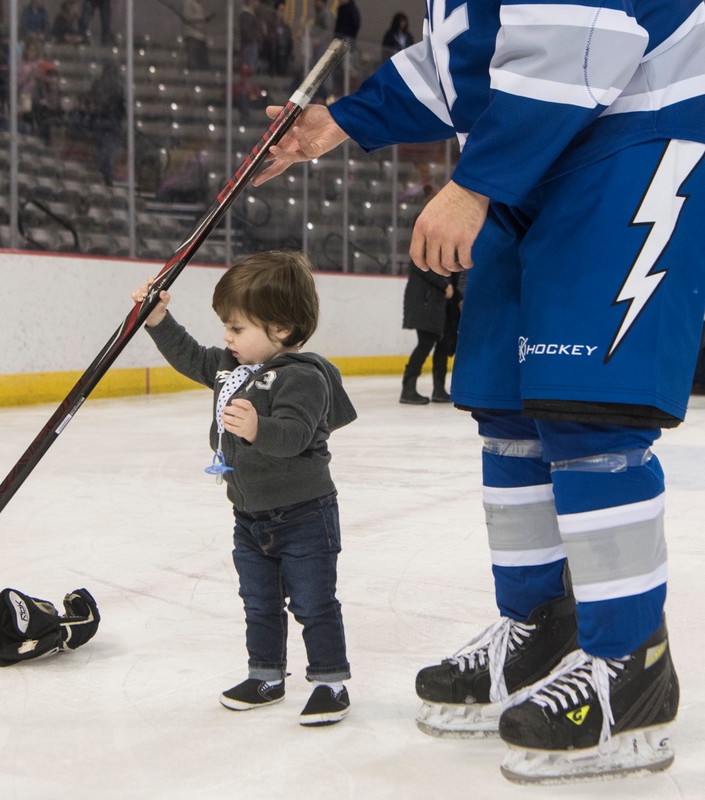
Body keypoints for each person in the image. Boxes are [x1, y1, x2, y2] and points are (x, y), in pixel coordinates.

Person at [255, 0, 704, 784]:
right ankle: (539, 627)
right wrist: (345, 121)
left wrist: (475, 183)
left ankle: (630, 665)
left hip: (634, 130)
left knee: (586, 412)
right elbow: (460, 56)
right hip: (532, 148)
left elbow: (582, 32)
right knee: (506, 408)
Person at [131, 250, 357, 726]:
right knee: (258, 601)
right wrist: (157, 319)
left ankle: (330, 682)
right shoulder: (232, 370)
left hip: (304, 515)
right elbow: (191, 356)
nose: (226, 338)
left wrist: (259, 428)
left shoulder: (303, 377)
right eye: (226, 327)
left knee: (314, 602)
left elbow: (295, 435)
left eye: (237, 329)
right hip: (250, 516)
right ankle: (266, 675)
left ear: (281, 328)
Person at [400, 264, 460, 405]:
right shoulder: (426, 245)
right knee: (425, 343)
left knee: (443, 344)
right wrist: (445, 285)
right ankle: (408, 388)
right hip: (426, 303)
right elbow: (423, 267)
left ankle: (439, 390)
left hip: (442, 304)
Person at [88, 59, 124, 184]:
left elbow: (92, 101)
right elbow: (122, 106)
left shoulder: (97, 84)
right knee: (110, 151)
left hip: (101, 121)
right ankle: (106, 176)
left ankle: (104, 174)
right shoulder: (118, 86)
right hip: (112, 121)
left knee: (103, 151)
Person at [181, 0, 213, 71]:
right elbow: (188, 17)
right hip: (192, 36)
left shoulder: (200, 4)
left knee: (203, 63)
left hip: (201, 37)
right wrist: (203, 18)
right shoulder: (187, 2)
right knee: (192, 61)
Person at [238, 0, 264, 75]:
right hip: (249, 45)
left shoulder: (252, 14)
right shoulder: (246, 14)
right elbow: (245, 30)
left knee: (252, 67)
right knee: (248, 68)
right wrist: (254, 39)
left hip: (252, 44)